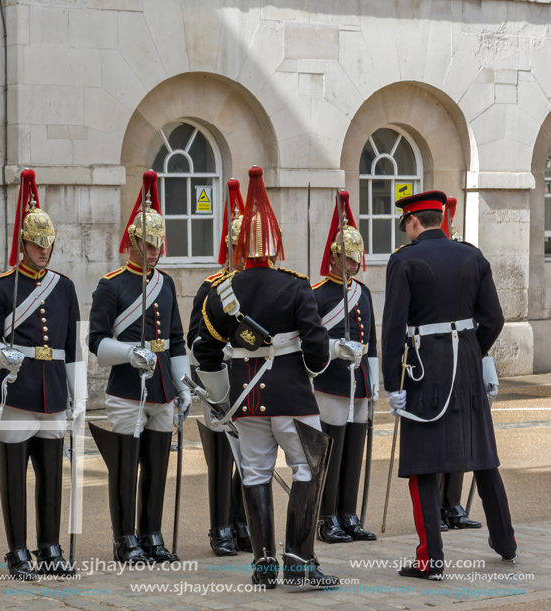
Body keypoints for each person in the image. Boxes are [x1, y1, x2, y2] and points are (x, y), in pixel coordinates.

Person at [194, 166, 358, 589]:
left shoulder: (221, 291)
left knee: (254, 473)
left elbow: (204, 351)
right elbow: (318, 352)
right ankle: (300, 562)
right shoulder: (295, 285)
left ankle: (265, 565)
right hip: (290, 396)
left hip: (245, 401)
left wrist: (219, 397)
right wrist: (312, 365)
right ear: (275, 244)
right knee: (309, 466)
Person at [382, 191, 515, 581]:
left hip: (426, 369)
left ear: (412, 222)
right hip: (469, 369)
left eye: (405, 225)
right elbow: (493, 318)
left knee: (424, 465)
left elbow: (393, 328)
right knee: (483, 457)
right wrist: (473, 351)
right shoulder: (472, 255)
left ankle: (431, 559)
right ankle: (506, 542)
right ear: (439, 219)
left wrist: (393, 382)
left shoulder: (404, 260)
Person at [0, 169, 81, 580]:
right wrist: (4, 356)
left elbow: (70, 348)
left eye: (48, 243)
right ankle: (18, 550)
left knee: (52, 476)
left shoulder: (64, 287)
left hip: (54, 390)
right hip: (18, 389)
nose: (44, 250)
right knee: (15, 477)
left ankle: (50, 547)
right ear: (23, 243)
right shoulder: (1, 287)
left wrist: (78, 402)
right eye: (37, 243)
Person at [87, 170, 191, 565]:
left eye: (157, 246)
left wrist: (183, 386)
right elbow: (96, 341)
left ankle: (152, 534)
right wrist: (130, 353)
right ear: (133, 243)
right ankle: (124, 539)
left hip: (163, 386)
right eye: (146, 246)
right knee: (126, 466)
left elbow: (177, 339)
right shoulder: (112, 285)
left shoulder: (165, 283)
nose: (152, 252)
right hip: (128, 386)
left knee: (158, 465)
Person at [188, 178, 251, 556]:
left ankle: (243, 522)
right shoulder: (212, 287)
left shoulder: (257, 285)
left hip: (249, 379)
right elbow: (197, 340)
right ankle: (220, 528)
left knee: (251, 455)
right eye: (239, 250)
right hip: (219, 379)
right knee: (222, 455)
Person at [312, 191, 379, 544]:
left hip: (361, 382)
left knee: (355, 447)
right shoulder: (319, 293)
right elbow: (308, 341)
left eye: (358, 258)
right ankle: (327, 517)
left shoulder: (363, 293)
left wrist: (377, 377)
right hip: (333, 381)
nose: (355, 264)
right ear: (336, 257)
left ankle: (349, 514)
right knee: (333, 449)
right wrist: (335, 348)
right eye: (350, 258)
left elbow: (373, 342)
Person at [435, 197, 481, 532]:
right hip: (436, 363)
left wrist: (485, 361)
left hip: (464, 360)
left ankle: (453, 504)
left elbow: (483, 319)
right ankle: (437, 505)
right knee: (439, 435)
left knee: (461, 437)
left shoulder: (469, 265)